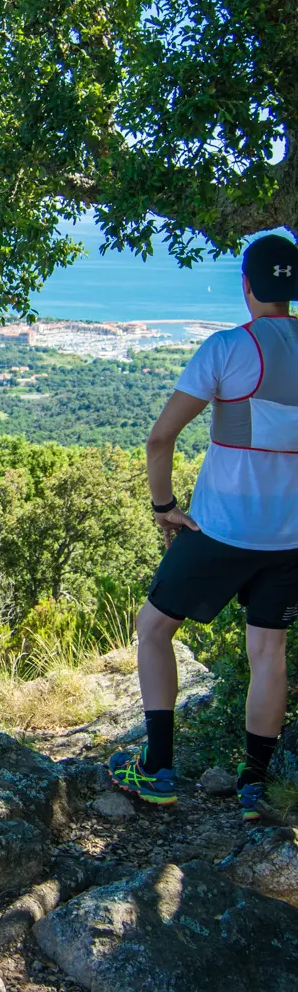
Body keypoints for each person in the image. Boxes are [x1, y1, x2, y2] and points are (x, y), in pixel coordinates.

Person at [108, 232, 298, 820]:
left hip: (220, 529)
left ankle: (158, 768)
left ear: (246, 287)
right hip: (291, 538)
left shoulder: (226, 349)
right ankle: (253, 785)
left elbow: (161, 437)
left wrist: (164, 507)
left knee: (153, 627)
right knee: (269, 650)